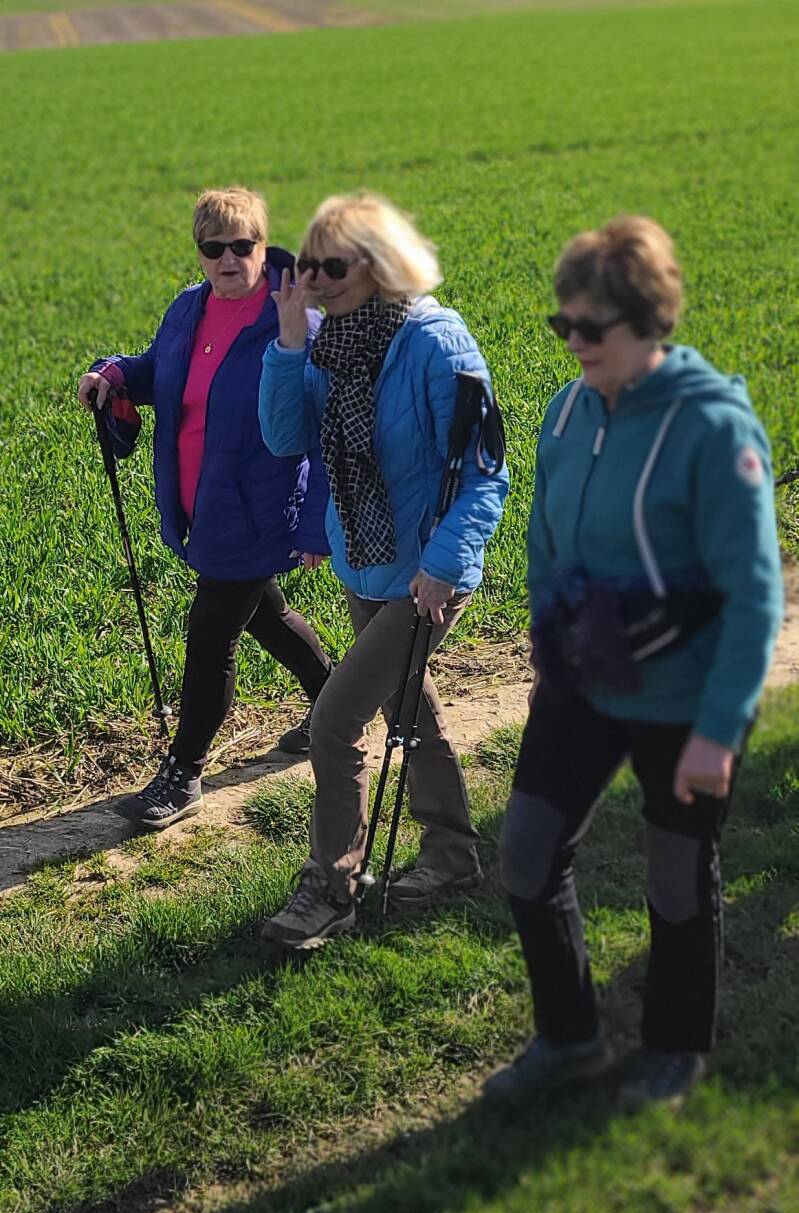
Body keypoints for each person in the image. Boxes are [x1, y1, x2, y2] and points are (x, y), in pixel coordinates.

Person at [484, 215, 783, 1109]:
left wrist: (718, 731)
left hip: (685, 697)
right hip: (584, 677)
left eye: (591, 327)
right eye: (562, 323)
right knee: (525, 853)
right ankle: (570, 1037)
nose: (573, 341)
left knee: (674, 875)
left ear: (649, 321)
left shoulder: (712, 429)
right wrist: (548, 645)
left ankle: (674, 1048)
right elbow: (544, 543)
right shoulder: (567, 409)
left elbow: (754, 596)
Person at [258, 192, 509, 948]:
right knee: (410, 712)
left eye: (332, 267)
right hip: (364, 564)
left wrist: (444, 565)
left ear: (379, 265)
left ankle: (331, 888)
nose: (315, 279)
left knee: (334, 724)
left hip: (425, 576)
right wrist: (288, 343)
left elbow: (486, 474)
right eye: (308, 264)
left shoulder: (438, 342)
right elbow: (285, 438)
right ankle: (453, 855)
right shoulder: (331, 342)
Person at [78, 187, 333, 830]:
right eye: (213, 248)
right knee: (265, 614)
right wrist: (113, 375)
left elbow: (325, 429)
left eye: (242, 245)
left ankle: (183, 771)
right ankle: (336, 705)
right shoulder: (189, 309)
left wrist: (315, 526)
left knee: (212, 632)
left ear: (263, 245)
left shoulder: (292, 321)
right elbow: (159, 371)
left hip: (261, 509)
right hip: (204, 504)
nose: (228, 259)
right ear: (198, 253)